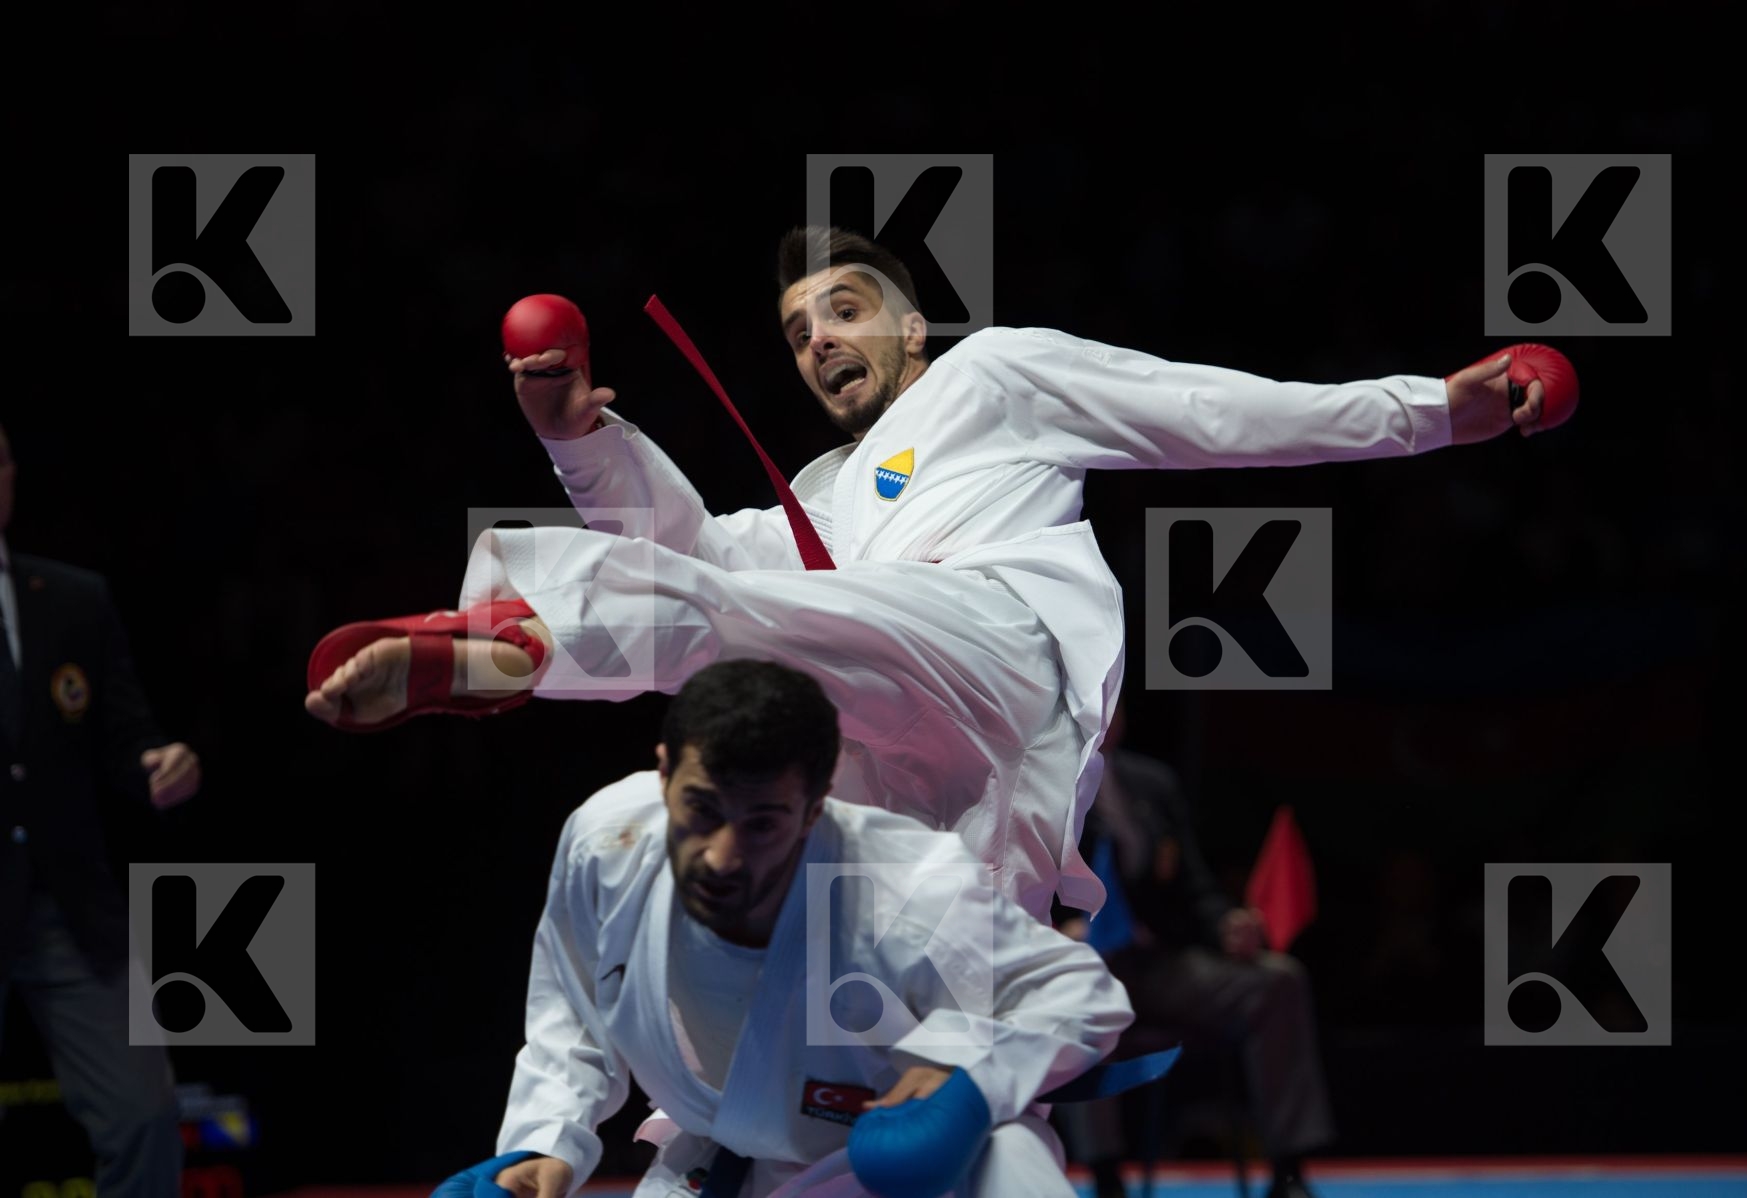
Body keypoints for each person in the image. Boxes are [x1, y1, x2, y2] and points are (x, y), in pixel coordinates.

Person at [305, 226, 1567, 924]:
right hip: (927, 783)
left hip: (1001, 652)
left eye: (845, 311)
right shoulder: (827, 495)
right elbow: (694, 564)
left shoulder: (993, 374)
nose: (818, 340)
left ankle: (511, 650)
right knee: (912, 1074)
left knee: (752, 620)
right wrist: (579, 438)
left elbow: (1214, 412)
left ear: (913, 325)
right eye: (798, 331)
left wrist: (1434, 412)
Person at [455, 658, 1132, 1197]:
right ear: (663, 774)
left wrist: (966, 1073)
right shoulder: (609, 842)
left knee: (1009, 1150)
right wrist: (546, 1137)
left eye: (762, 824)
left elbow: (1078, 991)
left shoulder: (901, 884)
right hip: (720, 1165)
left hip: (894, 1168)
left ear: (814, 810)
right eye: (702, 809)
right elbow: (574, 1009)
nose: (722, 855)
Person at [0, 420, 203, 1198]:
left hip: (67, 905)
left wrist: (161, 761)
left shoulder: (71, 599)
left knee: (144, 1116)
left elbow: (126, 736)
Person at [1054, 713, 1331, 1198]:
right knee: (1077, 1000)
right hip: (1087, 966)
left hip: (1164, 966)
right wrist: (1056, 928)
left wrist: (1225, 925)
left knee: (1278, 980)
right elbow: (1013, 881)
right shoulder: (1037, 784)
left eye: (1114, 696)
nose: (1105, 709)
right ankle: (1106, 1178)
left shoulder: (1153, 783)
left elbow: (1193, 886)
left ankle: (1288, 1171)